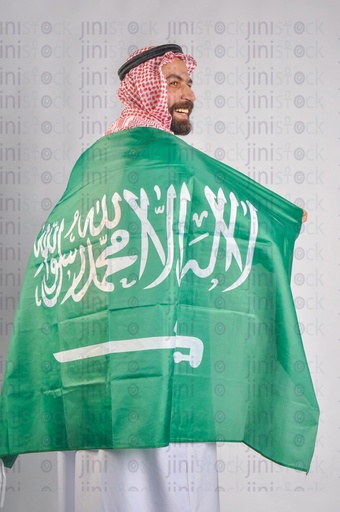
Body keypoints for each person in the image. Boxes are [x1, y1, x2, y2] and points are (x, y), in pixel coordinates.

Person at [58, 44, 221, 512]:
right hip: (134, 357)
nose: (187, 94)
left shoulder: (100, 162)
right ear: (144, 90)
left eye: (188, 82)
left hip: (159, 356)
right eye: (173, 83)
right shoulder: (140, 161)